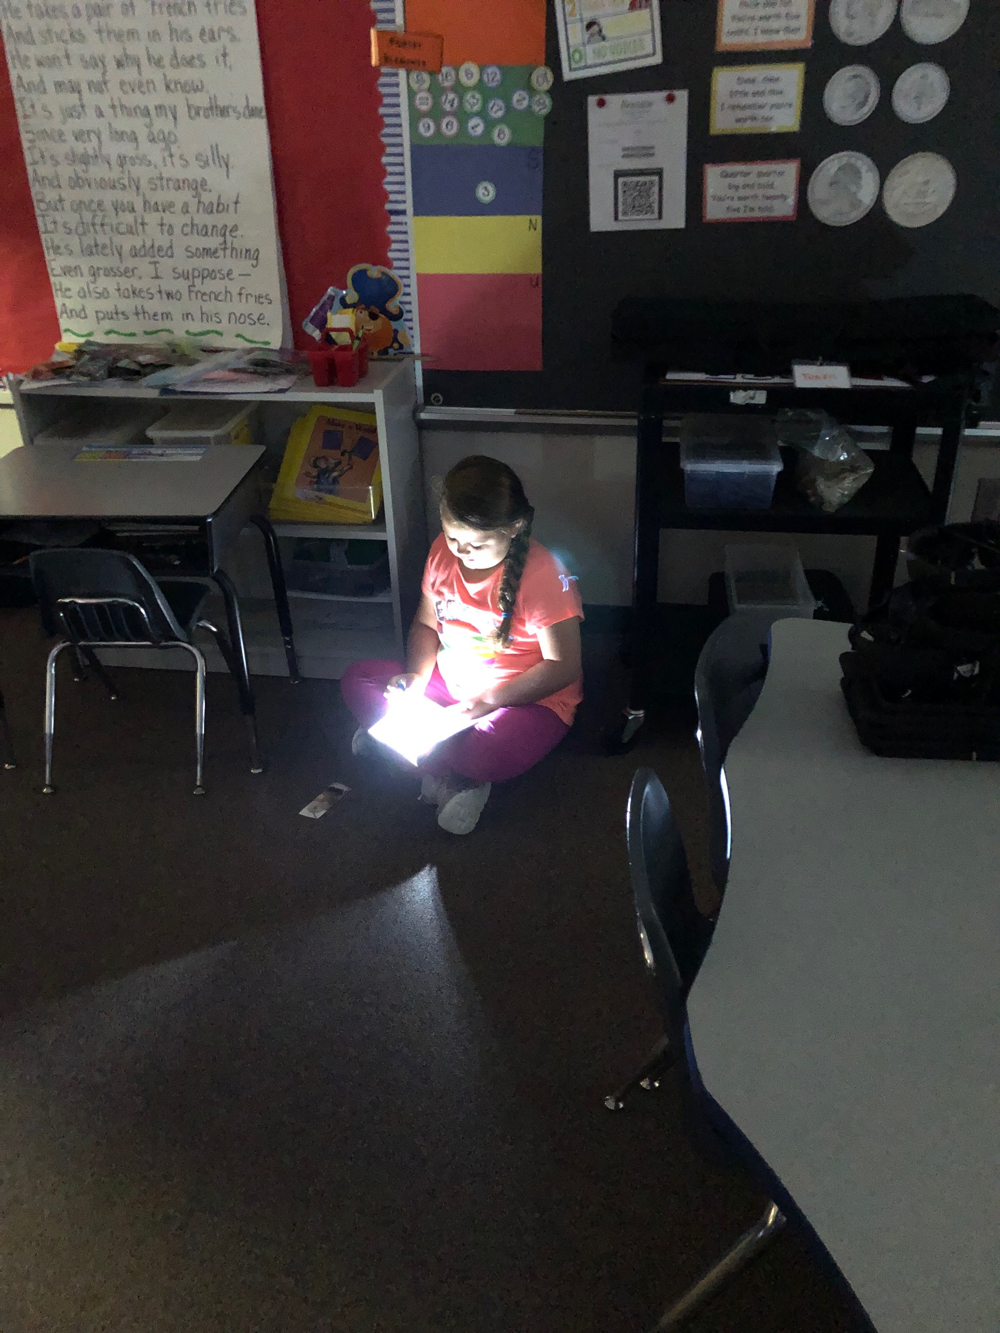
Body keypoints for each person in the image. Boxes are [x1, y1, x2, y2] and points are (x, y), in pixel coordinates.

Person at [341, 456, 584, 835]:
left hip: (522, 701)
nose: (461, 550)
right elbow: (425, 623)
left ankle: (429, 764)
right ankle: (443, 770)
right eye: (452, 536)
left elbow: (564, 666)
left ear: (514, 528)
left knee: (485, 749)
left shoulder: (545, 576)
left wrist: (486, 703)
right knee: (358, 679)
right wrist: (416, 678)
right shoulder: (442, 552)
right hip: (449, 690)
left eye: (477, 543)